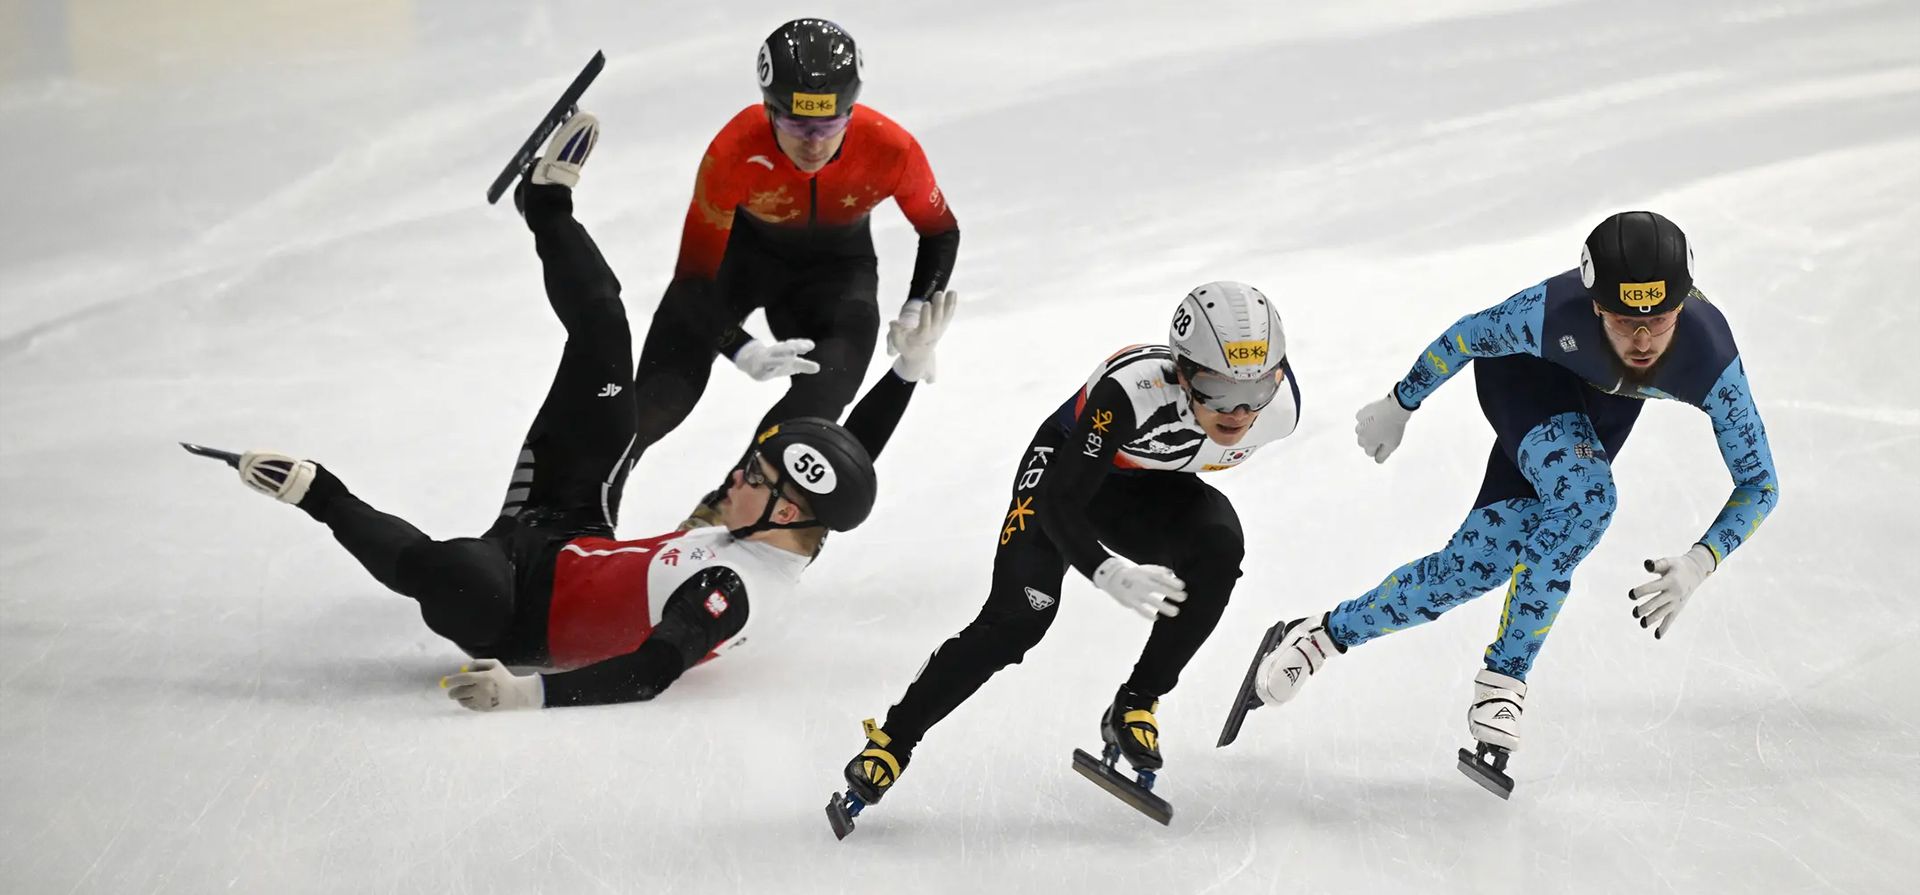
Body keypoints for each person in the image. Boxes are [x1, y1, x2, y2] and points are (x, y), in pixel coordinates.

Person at [201, 110, 956, 711]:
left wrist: (532, 692)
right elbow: (842, 457)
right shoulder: (789, 524)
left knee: (457, 572)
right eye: (755, 465)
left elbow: (651, 671)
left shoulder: (737, 589)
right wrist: (906, 372)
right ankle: (547, 203)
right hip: (571, 519)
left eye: (754, 476)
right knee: (605, 336)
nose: (737, 475)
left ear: (783, 512)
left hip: (517, 614)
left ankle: (317, 491)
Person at [1232, 211, 1779, 794]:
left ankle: (1317, 636)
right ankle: (1504, 683)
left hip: (1601, 413)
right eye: (1623, 321)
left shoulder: (1710, 353)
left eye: (1660, 319)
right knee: (1588, 499)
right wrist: (1401, 402)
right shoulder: (1551, 313)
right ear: (1595, 306)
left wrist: (1703, 559)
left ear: (1683, 304)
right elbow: (1467, 336)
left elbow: (1760, 483)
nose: (1642, 340)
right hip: (1524, 383)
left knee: (1471, 569)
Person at [837, 282, 1302, 822]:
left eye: (1257, 391)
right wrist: (1102, 569)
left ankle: (1137, 703)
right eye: (1219, 391)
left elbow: (1208, 443)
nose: (1239, 412)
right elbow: (1060, 501)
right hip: (1069, 474)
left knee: (1220, 548)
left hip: (1148, 489)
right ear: (1181, 372)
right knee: (1019, 619)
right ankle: (893, 741)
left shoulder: (1282, 409)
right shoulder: (1130, 392)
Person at [627, 18, 961, 527]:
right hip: (740, 264)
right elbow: (693, 280)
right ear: (768, 111)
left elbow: (940, 231)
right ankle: (571, 502)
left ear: (850, 113)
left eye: (828, 127)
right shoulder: (733, 150)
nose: (813, 143)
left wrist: (918, 303)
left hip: (834, 277)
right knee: (657, 400)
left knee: (824, 392)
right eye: (794, 125)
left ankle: (720, 519)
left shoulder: (890, 148)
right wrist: (739, 347)